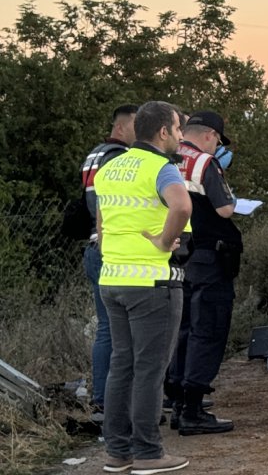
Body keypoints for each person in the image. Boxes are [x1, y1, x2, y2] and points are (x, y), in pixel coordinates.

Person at [96, 101, 192, 474]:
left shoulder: (110, 166)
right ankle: (149, 453)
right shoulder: (161, 168)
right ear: (163, 132)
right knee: (150, 370)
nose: (181, 137)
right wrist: (165, 241)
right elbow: (181, 207)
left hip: (113, 279)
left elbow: (102, 228)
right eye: (178, 130)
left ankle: (118, 452)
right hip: (152, 282)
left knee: (122, 366)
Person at [166, 111, 238, 436]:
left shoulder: (167, 158)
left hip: (180, 254)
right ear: (210, 135)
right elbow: (225, 208)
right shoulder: (205, 163)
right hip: (210, 254)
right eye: (218, 141)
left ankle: (179, 402)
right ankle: (194, 409)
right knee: (207, 329)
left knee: (184, 330)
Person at [79, 103, 137, 418]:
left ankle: (102, 399)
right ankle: (109, 401)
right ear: (122, 127)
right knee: (117, 331)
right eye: (136, 127)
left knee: (106, 327)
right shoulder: (118, 158)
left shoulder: (94, 154)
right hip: (110, 246)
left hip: (92, 246)